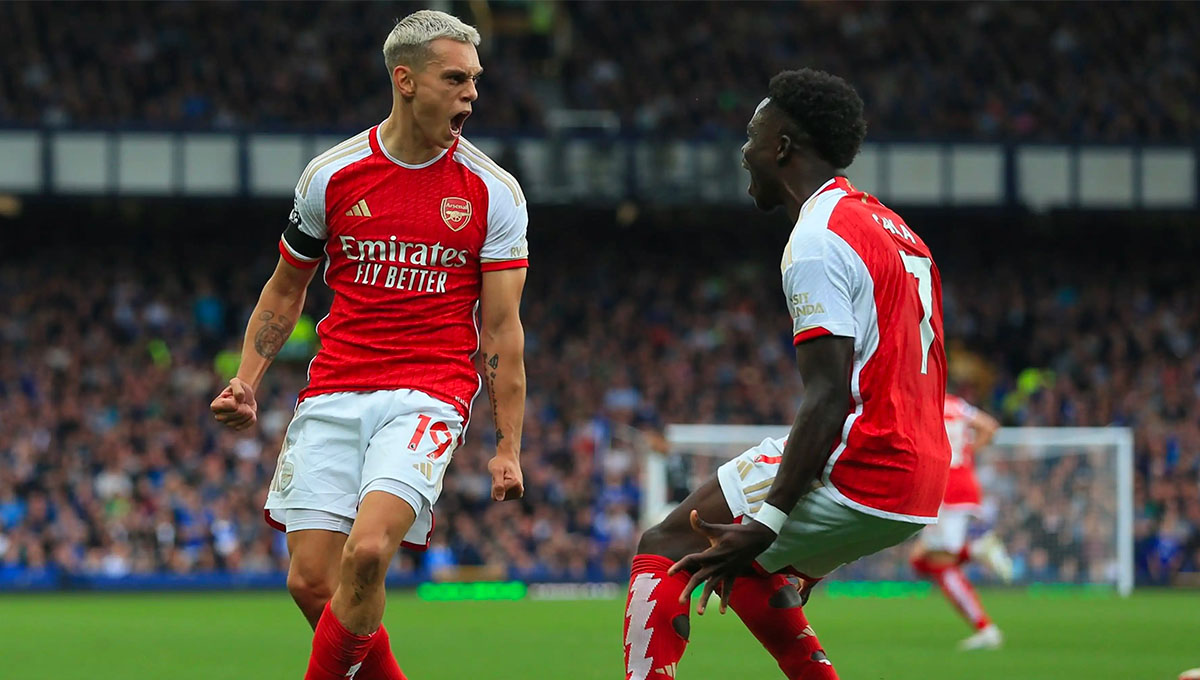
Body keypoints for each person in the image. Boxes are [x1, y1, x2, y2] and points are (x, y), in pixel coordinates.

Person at [209, 10, 528, 680]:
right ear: (405, 80)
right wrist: (247, 379)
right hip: (334, 387)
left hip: (428, 394)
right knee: (311, 584)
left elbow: (501, 330)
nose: (472, 93)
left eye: (476, 80)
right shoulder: (333, 174)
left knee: (369, 553)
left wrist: (507, 445)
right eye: (456, 78)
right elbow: (284, 290)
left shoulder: (493, 192)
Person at [621, 68, 951, 680]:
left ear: (781, 147)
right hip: (921, 478)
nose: (743, 151)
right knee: (744, 566)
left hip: (868, 459)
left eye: (752, 135)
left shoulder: (819, 236)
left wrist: (770, 518)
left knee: (666, 544)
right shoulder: (898, 231)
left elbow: (827, 397)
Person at [910, 393, 1012, 650]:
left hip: (943, 489)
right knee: (921, 560)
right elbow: (990, 427)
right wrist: (967, 451)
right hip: (965, 484)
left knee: (937, 562)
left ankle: (985, 628)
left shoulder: (922, 404)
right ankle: (977, 551)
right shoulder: (958, 405)